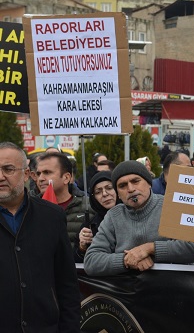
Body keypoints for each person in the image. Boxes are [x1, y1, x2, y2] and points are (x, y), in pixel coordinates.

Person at [0, 142, 80, 332]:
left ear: (27, 173)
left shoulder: (52, 216)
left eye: (8, 169)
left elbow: (67, 283)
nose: (0, 177)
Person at [84, 160, 194, 276]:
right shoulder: (113, 216)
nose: (130, 189)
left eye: (135, 181)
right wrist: (128, 260)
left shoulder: (171, 206)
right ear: (118, 195)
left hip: (171, 289)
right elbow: (91, 261)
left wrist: (150, 248)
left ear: (149, 183)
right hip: (126, 292)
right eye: (122, 185)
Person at [37, 151, 94, 248]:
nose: (40, 178)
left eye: (47, 172)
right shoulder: (30, 208)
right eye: (38, 174)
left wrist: (82, 248)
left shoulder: (89, 207)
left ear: (66, 178)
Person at [74, 171, 121, 262]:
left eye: (109, 188)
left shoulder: (133, 215)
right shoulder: (90, 225)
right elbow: (76, 261)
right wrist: (82, 248)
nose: (104, 194)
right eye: (98, 192)